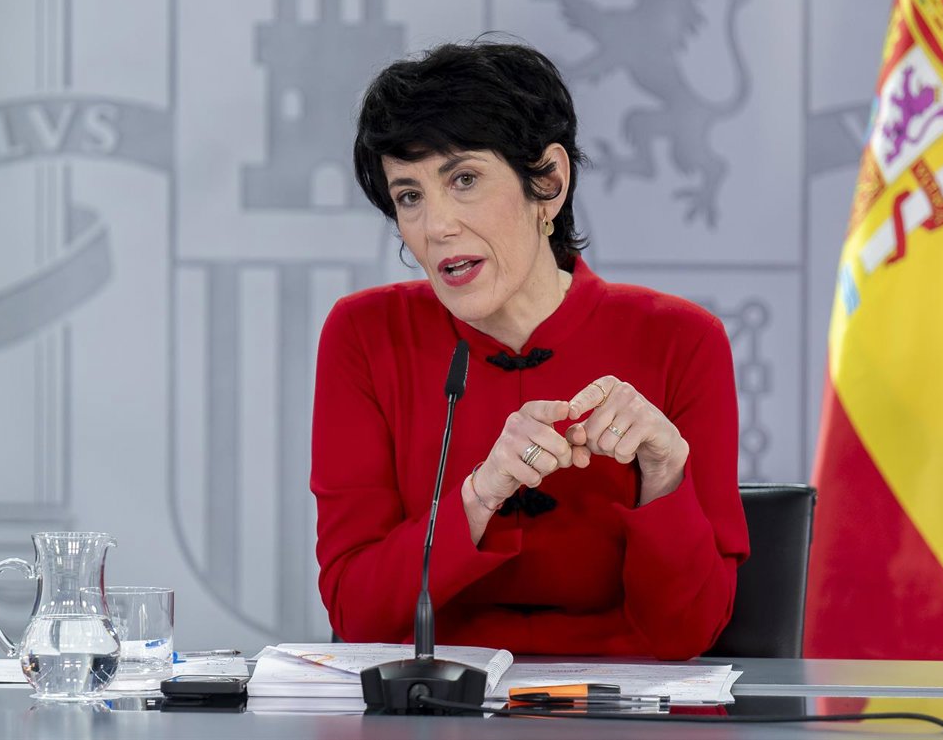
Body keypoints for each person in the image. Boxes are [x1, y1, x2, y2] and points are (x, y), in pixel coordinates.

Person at [311, 41, 748, 660]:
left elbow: (688, 633)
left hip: (617, 704)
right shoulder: (364, 334)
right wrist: (479, 496)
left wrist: (665, 476)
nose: (435, 226)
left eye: (464, 180)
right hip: (437, 701)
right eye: (409, 195)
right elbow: (358, 613)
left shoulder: (681, 340)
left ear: (548, 181)